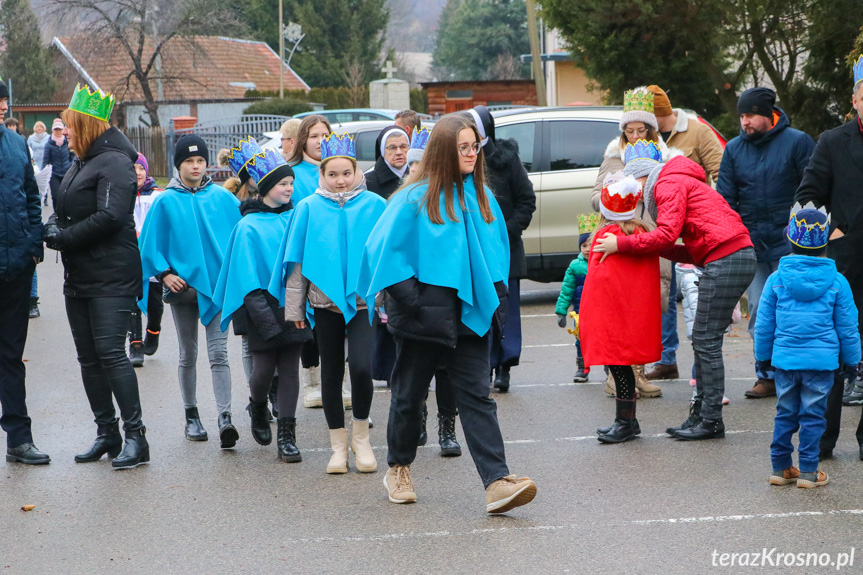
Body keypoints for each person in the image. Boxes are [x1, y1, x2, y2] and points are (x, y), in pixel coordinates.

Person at [359, 113, 537, 513]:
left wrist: (497, 303)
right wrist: (417, 302)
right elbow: (383, 255)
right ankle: (399, 468)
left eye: (475, 146)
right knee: (408, 398)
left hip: (471, 317)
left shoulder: (485, 198)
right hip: (422, 321)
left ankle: (496, 483)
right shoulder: (411, 197)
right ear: (444, 151)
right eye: (463, 147)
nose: (473, 153)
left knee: (477, 397)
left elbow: (495, 258)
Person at [594, 140, 755, 441]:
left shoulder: (667, 184)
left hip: (728, 257)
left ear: (642, 176)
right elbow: (688, 248)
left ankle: (710, 420)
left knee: (705, 341)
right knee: (704, 340)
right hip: (730, 254)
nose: (636, 192)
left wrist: (622, 244)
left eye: (634, 183)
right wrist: (653, 251)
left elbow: (666, 234)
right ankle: (702, 416)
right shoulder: (677, 181)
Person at [42, 84, 147, 468]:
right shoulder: (81, 161)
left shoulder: (116, 162)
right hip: (81, 275)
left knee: (110, 354)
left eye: (70, 125)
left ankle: (137, 438)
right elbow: (65, 205)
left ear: (84, 125)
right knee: (88, 358)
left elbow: (111, 216)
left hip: (111, 276)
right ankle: (108, 433)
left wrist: (63, 238)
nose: (64, 132)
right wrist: (53, 225)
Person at [279, 133, 385, 474]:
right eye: (332, 174)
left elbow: (387, 259)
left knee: (363, 369)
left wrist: (384, 299)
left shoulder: (374, 206)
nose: (340, 180)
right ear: (322, 175)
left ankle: (361, 438)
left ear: (357, 172)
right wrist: (295, 310)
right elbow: (296, 265)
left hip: (362, 305)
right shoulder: (308, 208)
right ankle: (337, 446)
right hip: (323, 305)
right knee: (331, 373)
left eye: (346, 173)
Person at [138, 134, 241, 448]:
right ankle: (192, 415)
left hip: (216, 288)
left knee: (220, 353)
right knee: (188, 353)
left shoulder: (222, 198)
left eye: (200, 161)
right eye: (189, 161)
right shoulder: (165, 201)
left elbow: (242, 234)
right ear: (178, 164)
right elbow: (148, 245)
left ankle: (225, 417)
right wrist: (165, 274)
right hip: (183, 291)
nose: (196, 167)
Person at [717, 87, 816, 399]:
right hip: (752, 244)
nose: (744, 122)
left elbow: (811, 188)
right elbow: (724, 199)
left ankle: (800, 372)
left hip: (790, 244)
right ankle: (767, 375)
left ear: (768, 114)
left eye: (750, 115)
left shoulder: (798, 142)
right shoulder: (734, 149)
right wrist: (733, 235)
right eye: (742, 116)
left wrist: (801, 231)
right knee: (760, 308)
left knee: (796, 307)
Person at [214, 148, 312, 461]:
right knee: (264, 371)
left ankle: (287, 435)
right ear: (266, 187)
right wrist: (267, 321)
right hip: (261, 308)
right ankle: (257, 406)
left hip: (294, 303)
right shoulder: (248, 227)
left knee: (290, 370)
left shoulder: (296, 219)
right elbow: (246, 281)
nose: (289, 189)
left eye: (291, 184)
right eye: (283, 183)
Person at [757, 204, 860, 488]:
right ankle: (809, 472)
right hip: (821, 363)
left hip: (786, 362)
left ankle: (780, 468)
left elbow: (765, 324)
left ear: (790, 239)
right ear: (826, 243)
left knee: (785, 413)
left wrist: (763, 358)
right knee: (814, 416)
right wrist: (853, 361)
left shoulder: (776, 279)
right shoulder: (838, 282)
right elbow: (848, 327)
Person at [794, 55, 863, 460]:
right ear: (855, 100)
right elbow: (807, 195)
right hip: (845, 263)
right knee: (834, 353)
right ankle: (822, 439)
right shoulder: (833, 141)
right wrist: (831, 231)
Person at [641, 85, 726, 384]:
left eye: (651, 121)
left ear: (661, 115)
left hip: (691, 228)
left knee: (696, 299)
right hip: (659, 225)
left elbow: (719, 170)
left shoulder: (697, 131)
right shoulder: (644, 137)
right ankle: (666, 359)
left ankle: (701, 371)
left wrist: (714, 213)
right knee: (662, 291)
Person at [591, 88, 670, 398]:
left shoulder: (663, 159)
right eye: (630, 130)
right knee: (618, 307)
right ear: (622, 132)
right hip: (616, 239)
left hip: (650, 236)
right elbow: (595, 197)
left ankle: (638, 371)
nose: (635, 136)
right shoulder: (613, 158)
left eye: (642, 130)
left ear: (651, 131)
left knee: (647, 305)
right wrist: (618, 192)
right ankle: (616, 373)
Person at [581, 175, 661, 443]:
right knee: (621, 366)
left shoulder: (609, 236)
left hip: (613, 317)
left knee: (619, 366)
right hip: (632, 315)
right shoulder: (638, 234)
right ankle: (627, 420)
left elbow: (599, 282)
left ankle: (625, 422)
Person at [468, 105, 536, 392]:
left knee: (506, 310)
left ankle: (504, 367)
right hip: (474, 252)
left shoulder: (507, 159)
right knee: (480, 309)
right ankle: (482, 364)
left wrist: (504, 232)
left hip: (505, 250)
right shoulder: (461, 160)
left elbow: (526, 201)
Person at [0, 76, 50, 466]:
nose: (2, 109)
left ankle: (19, 438)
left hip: (15, 266)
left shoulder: (17, 145)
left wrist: (34, 246)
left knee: (11, 356)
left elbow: (32, 198)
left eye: (3, 104)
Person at [286, 114, 332, 406]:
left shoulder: (342, 170)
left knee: (339, 317)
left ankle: (338, 381)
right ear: (303, 139)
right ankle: (312, 380)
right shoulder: (292, 172)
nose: (320, 142)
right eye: (314, 136)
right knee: (308, 320)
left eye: (325, 135)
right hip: (305, 252)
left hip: (334, 253)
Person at [127, 153, 164, 366]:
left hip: (153, 257)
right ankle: (135, 345)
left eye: (141, 168)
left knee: (155, 304)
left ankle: (154, 330)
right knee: (133, 300)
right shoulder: (123, 194)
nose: (137, 173)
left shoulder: (158, 195)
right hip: (131, 257)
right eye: (133, 168)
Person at [555, 230, 592, 383]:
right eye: (584, 245)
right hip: (580, 311)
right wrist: (561, 312)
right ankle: (582, 367)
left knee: (604, 339)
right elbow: (566, 290)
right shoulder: (575, 266)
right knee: (581, 339)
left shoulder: (603, 261)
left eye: (591, 245)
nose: (588, 249)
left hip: (602, 311)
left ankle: (610, 367)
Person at [365, 125, 410, 200]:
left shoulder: (418, 177)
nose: (399, 152)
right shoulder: (368, 182)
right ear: (383, 152)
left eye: (403, 146)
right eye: (392, 147)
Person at [42, 118, 75, 202]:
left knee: (67, 195)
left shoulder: (67, 142)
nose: (58, 131)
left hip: (67, 172)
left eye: (59, 129)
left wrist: (71, 166)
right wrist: (43, 173)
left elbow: (73, 156)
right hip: (54, 173)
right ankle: (56, 213)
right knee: (56, 196)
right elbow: (45, 160)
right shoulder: (49, 144)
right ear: (53, 130)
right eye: (56, 129)